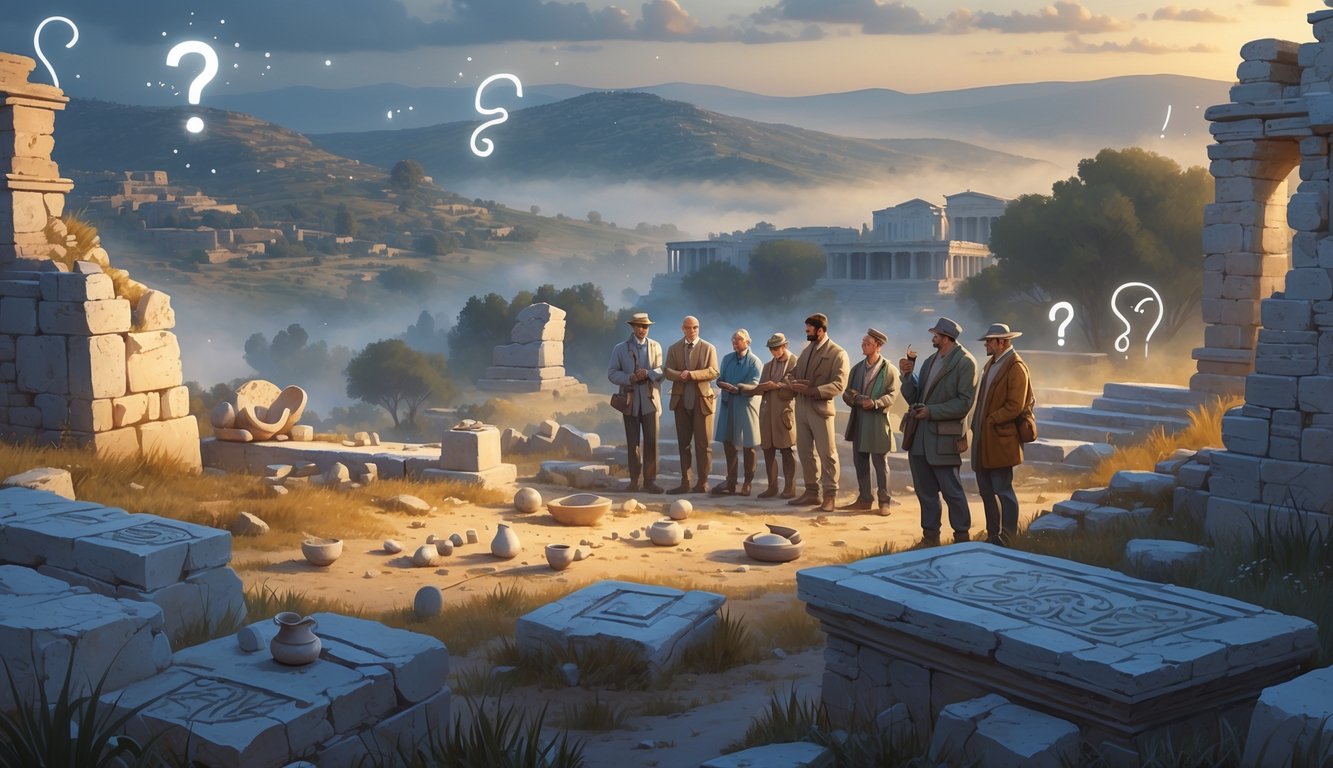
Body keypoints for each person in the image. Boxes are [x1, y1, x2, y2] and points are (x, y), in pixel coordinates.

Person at [899, 317, 978, 545]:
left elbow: (964, 403)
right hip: (920, 438)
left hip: (944, 438)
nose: (932, 337)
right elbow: (916, 396)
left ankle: (961, 537)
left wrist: (931, 411)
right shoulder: (930, 361)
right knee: (925, 493)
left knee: (952, 492)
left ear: (946, 337)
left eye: (936, 334)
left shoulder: (965, 362)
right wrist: (907, 376)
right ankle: (930, 537)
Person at [970, 323, 1034, 545]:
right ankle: (993, 535)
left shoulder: (1016, 366)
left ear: (1003, 342)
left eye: (990, 341)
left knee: (1003, 490)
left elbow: (1015, 406)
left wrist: (991, 420)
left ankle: (1009, 537)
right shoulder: (993, 364)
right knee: (986, 490)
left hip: (1001, 439)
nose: (986, 344)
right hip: (985, 437)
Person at [786, 313, 850, 514]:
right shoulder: (807, 351)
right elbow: (795, 372)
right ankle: (811, 492)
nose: (806, 334)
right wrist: (790, 379)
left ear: (820, 330)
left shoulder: (838, 353)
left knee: (827, 453)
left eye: (809, 331)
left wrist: (814, 391)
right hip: (802, 407)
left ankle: (830, 495)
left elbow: (839, 384)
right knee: (805, 452)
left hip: (820, 409)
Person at [840, 328, 899, 515]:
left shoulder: (889, 369)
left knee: (880, 463)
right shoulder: (857, 368)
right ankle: (864, 499)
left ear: (878, 346)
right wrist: (855, 399)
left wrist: (875, 403)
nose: (863, 345)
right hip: (859, 420)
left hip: (877, 421)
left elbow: (892, 395)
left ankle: (884, 502)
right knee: (860, 461)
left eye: (867, 343)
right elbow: (847, 392)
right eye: (863, 342)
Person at [607, 312, 665, 493]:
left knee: (651, 443)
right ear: (633, 327)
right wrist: (629, 377)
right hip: (630, 402)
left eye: (645, 326)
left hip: (650, 402)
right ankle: (634, 481)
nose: (642, 329)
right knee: (633, 444)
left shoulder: (656, 347)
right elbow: (612, 373)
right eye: (639, 326)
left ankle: (650, 481)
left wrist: (648, 374)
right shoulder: (620, 348)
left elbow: (662, 371)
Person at [664, 315, 719, 494]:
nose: (692, 330)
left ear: (698, 328)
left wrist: (692, 375)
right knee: (683, 443)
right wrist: (679, 374)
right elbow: (667, 371)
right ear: (683, 329)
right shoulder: (674, 348)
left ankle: (703, 482)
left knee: (703, 443)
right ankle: (685, 482)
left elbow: (713, 371)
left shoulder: (708, 348)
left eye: (695, 327)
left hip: (702, 400)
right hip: (680, 400)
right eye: (688, 327)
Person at [740, 333, 798, 499]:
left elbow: (796, 384)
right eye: (772, 349)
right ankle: (772, 486)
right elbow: (761, 387)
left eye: (776, 349)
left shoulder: (795, 362)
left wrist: (778, 385)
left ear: (784, 346)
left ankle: (790, 487)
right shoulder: (767, 366)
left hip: (784, 411)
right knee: (768, 449)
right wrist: (755, 388)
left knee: (787, 449)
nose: (774, 352)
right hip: (767, 411)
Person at [712, 329, 762, 495]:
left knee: (749, 444)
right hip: (729, 405)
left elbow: (755, 384)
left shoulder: (754, 362)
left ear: (747, 342)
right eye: (733, 339)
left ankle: (748, 482)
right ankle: (731, 481)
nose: (735, 342)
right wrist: (722, 384)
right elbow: (721, 378)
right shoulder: (727, 359)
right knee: (729, 443)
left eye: (739, 339)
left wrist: (739, 387)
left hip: (745, 405)